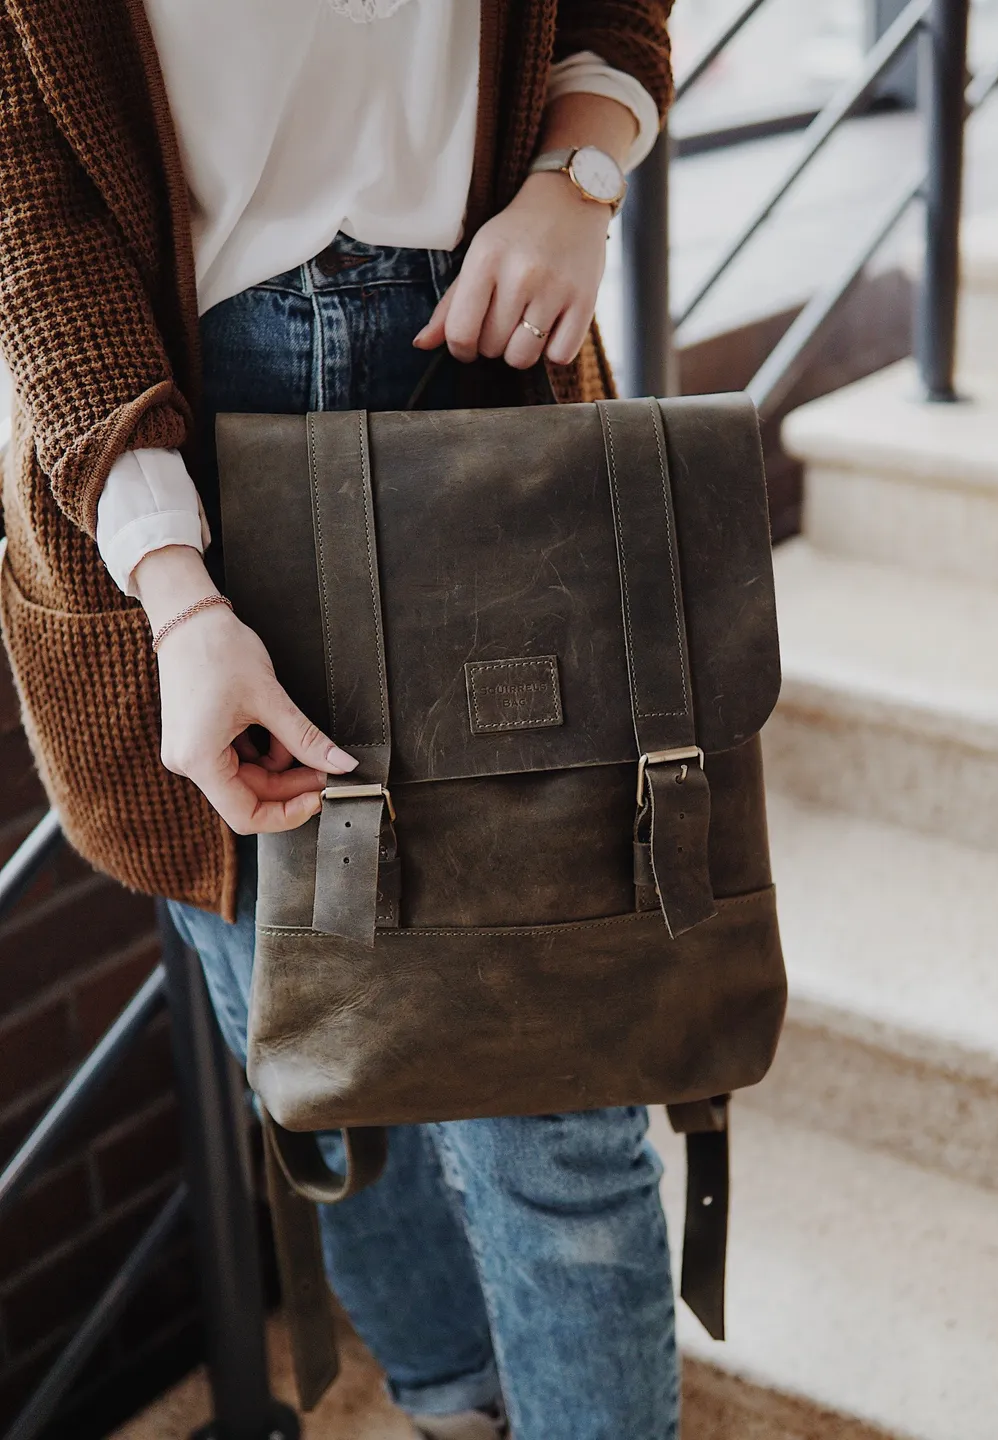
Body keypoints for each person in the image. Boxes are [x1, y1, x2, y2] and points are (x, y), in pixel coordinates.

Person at [0, 2, 676, 1435]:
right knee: (330, 1090)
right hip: (169, 470)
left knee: (564, 1130)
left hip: (491, 369)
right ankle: (454, 1405)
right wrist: (176, 600)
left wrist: (582, 175)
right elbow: (29, 219)